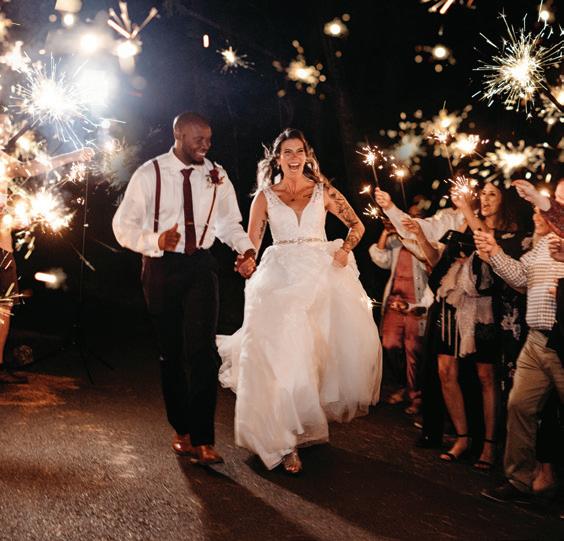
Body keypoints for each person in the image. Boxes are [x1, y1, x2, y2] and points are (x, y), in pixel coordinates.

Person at [218, 129, 382, 473]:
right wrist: (246, 261)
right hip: (278, 279)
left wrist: (344, 250)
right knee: (282, 356)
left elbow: (357, 226)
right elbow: (252, 244)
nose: (294, 158)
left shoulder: (324, 191)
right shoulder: (265, 197)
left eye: (299, 151)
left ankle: (299, 426)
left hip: (319, 278)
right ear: (277, 158)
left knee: (311, 359)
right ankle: (284, 442)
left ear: (307, 156)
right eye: (287, 152)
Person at [112, 112, 256, 465]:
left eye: (209, 139)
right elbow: (123, 225)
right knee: (171, 353)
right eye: (198, 139)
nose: (206, 145)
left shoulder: (217, 174)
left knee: (203, 352)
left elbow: (229, 222)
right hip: (160, 266)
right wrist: (155, 240)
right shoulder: (150, 173)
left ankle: (204, 439)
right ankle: (182, 430)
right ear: (178, 134)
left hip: (200, 266)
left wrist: (246, 249)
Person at [475, 208, 564, 503]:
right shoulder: (544, 244)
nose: (538, 214)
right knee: (519, 405)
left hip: (561, 341)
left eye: (549, 207)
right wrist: (495, 252)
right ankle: (519, 480)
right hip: (536, 340)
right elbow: (521, 277)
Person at [0, 112, 95, 384]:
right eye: (1, 126)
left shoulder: (4, 160)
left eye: (6, 128)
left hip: (3, 247)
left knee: (4, 305)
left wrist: (72, 156)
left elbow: (33, 167)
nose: (5, 132)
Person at [369, 205, 433, 415]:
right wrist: (386, 232)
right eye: (408, 215)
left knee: (413, 350)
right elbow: (380, 259)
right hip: (394, 301)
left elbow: (429, 265)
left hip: (416, 303)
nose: (409, 219)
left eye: (416, 216)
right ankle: (404, 386)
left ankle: (416, 395)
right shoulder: (396, 242)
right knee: (389, 345)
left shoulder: (425, 243)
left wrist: (408, 236)